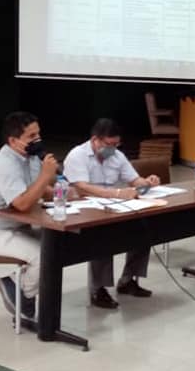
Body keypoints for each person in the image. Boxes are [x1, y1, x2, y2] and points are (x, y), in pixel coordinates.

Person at [63, 118, 161, 309]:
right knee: (103, 236)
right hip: (84, 210)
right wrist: (116, 193)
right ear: (95, 140)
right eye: (109, 144)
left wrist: (147, 182)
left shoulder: (117, 155)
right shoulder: (77, 155)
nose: (113, 149)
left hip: (113, 207)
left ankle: (128, 280)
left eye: (117, 144)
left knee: (143, 229)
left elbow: (134, 180)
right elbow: (82, 188)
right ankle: (98, 289)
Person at [0, 111, 57, 322]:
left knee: (57, 246)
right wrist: (46, 176)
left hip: (19, 226)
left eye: (38, 134)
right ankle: (17, 287)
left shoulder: (30, 158)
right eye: (31, 136)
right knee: (44, 256)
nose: (37, 140)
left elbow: (37, 187)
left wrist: (60, 191)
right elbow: (22, 203)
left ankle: (29, 294)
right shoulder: (3, 164)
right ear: (13, 141)